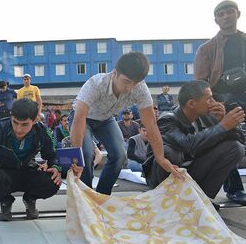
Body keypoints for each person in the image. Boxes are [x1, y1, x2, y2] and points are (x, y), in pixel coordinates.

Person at [70, 52, 181, 195]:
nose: (130, 88)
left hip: (106, 119)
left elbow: (151, 124)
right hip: (83, 118)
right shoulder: (96, 84)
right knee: (85, 154)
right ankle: (84, 195)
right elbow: (79, 119)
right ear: (115, 73)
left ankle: (103, 196)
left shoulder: (140, 89)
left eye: (135, 83)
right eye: (127, 81)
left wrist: (160, 158)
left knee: (119, 154)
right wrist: (77, 159)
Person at [194, 0, 246, 208]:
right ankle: (235, 190)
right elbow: (200, 80)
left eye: (229, 12)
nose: (226, 16)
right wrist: (210, 103)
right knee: (227, 142)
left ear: (238, 14)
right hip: (225, 98)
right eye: (221, 13)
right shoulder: (207, 48)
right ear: (216, 20)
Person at [143, 80, 245, 206]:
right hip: (165, 172)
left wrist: (223, 121)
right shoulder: (167, 119)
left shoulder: (208, 116)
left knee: (236, 148)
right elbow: (187, 145)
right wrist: (222, 126)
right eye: (208, 99)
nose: (213, 103)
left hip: (191, 170)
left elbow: (240, 140)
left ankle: (200, 198)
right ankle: (168, 198)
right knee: (170, 152)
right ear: (191, 103)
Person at [0, 98, 62, 221]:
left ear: (34, 121)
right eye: (15, 122)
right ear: (11, 116)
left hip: (29, 171)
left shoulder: (43, 131)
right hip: (4, 174)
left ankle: (30, 199)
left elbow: (53, 155)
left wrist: (56, 167)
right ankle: (5, 202)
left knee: (53, 182)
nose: (18, 129)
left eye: (24, 124)